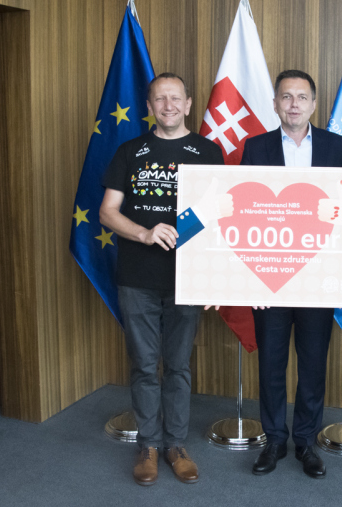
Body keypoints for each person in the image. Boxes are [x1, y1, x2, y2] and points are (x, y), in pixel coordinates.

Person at [99, 73, 224, 486]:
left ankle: (175, 444)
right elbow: (107, 212)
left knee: (178, 366)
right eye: (159, 99)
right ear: (149, 106)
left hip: (188, 278)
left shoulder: (208, 152)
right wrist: (144, 233)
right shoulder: (129, 152)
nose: (168, 105)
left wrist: (215, 279)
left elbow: (219, 217)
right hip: (137, 277)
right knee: (143, 364)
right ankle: (149, 445)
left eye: (175, 98)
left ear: (188, 104)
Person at [240, 69, 342, 478]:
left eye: (302, 97)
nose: (294, 104)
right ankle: (274, 440)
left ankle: (305, 441)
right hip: (269, 276)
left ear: (314, 104)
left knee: (312, 364)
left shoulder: (336, 146)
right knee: (271, 363)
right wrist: (251, 277)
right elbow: (244, 210)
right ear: (275, 104)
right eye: (286, 97)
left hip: (318, 276)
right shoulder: (256, 147)